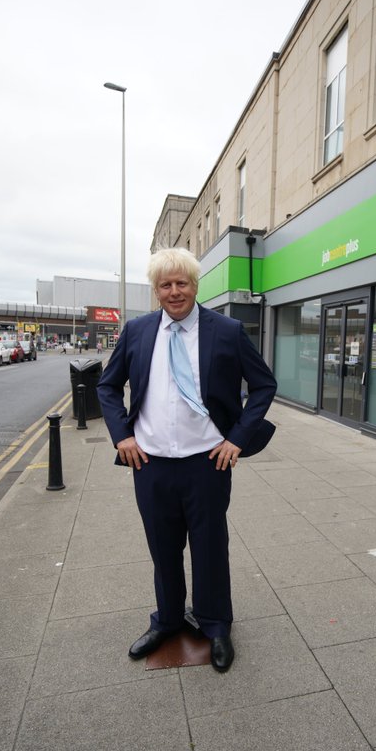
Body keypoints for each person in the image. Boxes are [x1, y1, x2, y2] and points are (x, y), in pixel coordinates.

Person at [98, 247, 277, 673]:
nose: (174, 291)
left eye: (182, 283)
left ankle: (215, 626)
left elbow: (264, 385)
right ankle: (169, 619)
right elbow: (107, 387)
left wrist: (236, 439)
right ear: (156, 290)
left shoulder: (227, 330)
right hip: (151, 464)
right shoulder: (138, 331)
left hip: (207, 463)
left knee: (210, 547)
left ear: (195, 286)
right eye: (166, 284)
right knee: (163, 550)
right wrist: (122, 435)